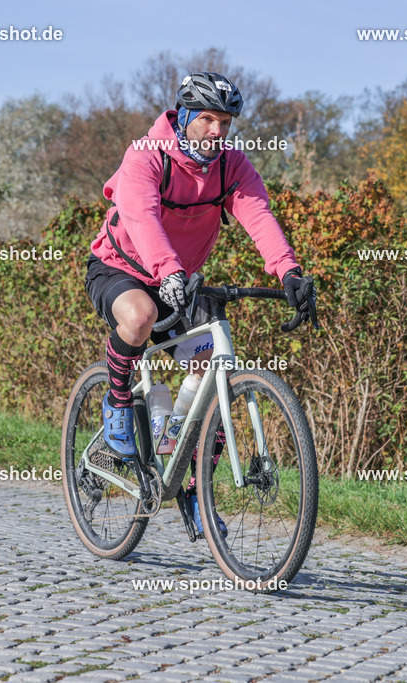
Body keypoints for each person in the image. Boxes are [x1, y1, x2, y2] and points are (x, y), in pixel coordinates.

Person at [83, 71, 315, 537]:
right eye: (207, 119)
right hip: (122, 267)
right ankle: (117, 402)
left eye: (225, 122)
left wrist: (288, 271)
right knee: (140, 316)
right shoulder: (145, 157)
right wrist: (166, 271)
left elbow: (257, 213)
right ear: (185, 116)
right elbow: (142, 216)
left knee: (209, 371)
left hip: (180, 279)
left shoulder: (230, 165)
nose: (217, 131)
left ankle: (190, 484)